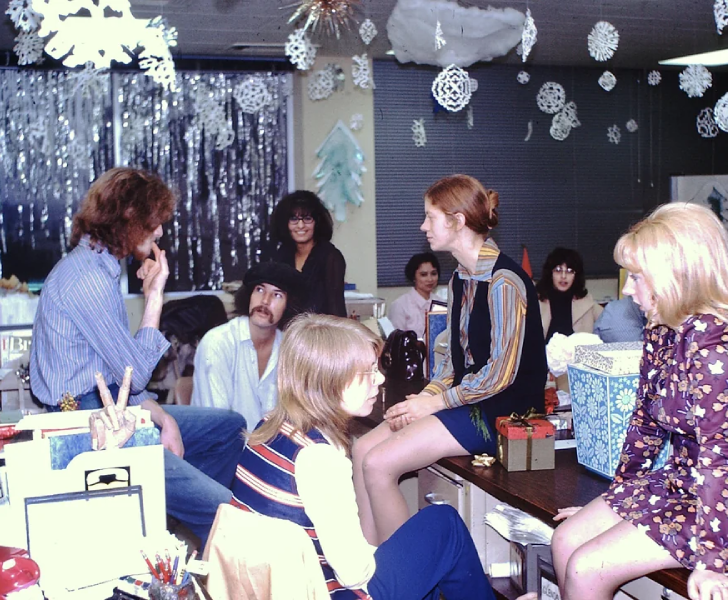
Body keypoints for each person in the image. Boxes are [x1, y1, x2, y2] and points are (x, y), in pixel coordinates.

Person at [550, 203, 728, 600]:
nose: (627, 289)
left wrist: (710, 562)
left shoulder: (717, 347)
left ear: (676, 276)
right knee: (566, 539)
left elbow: (719, 460)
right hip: (688, 483)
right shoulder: (663, 328)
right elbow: (645, 424)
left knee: (587, 568)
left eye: (637, 276)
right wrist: (617, 501)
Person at [229, 314, 534, 600]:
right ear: (330, 379)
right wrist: (395, 556)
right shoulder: (320, 458)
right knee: (445, 525)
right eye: (367, 372)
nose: (379, 379)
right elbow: (354, 573)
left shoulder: (269, 428)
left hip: (280, 588)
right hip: (329, 592)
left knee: (421, 557)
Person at [30, 167, 245, 549]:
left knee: (229, 427)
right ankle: (195, 516)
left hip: (109, 402)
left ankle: (170, 514)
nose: (159, 231)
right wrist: (155, 295)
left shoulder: (99, 266)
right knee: (224, 509)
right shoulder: (88, 279)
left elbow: (120, 374)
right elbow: (137, 372)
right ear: (128, 218)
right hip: (86, 421)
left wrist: (161, 417)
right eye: (154, 221)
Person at [353, 174, 547, 545]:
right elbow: (453, 360)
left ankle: (401, 571)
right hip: (467, 400)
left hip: (504, 413)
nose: (423, 226)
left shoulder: (505, 281)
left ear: (457, 221)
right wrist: (426, 397)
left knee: (378, 464)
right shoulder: (460, 278)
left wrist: (434, 403)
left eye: (430, 217)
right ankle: (367, 564)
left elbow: (500, 375)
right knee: (362, 448)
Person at [191, 261, 304, 429]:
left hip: (268, 443)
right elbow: (217, 425)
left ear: (289, 305)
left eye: (277, 295)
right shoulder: (218, 343)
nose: (265, 301)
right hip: (221, 441)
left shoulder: (290, 349)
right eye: (260, 290)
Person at [271, 190, 347, 317]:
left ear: (317, 223)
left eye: (307, 219)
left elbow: (336, 308)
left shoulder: (331, 257)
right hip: (286, 327)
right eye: (294, 219)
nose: (300, 225)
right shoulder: (282, 255)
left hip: (319, 327)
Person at [536, 247, 602, 342]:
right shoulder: (536, 301)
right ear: (550, 273)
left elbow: (611, 324)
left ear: (576, 275)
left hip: (577, 351)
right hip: (545, 352)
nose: (563, 276)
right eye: (558, 270)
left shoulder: (587, 303)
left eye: (569, 271)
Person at [388, 252, 442, 339]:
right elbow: (396, 341)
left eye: (434, 274)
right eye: (423, 275)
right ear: (413, 277)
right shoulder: (400, 305)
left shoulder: (442, 303)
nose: (430, 279)